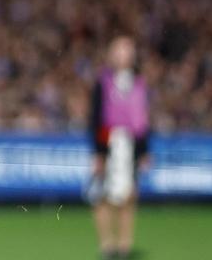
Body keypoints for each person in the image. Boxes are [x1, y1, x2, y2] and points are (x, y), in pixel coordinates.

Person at [87, 35, 152, 260]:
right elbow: (96, 118)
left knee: (129, 195)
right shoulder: (102, 82)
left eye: (127, 50)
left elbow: (142, 119)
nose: (124, 55)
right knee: (100, 195)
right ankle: (107, 244)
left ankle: (125, 245)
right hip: (108, 140)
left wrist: (144, 151)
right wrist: (99, 152)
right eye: (119, 50)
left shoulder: (139, 82)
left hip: (130, 144)